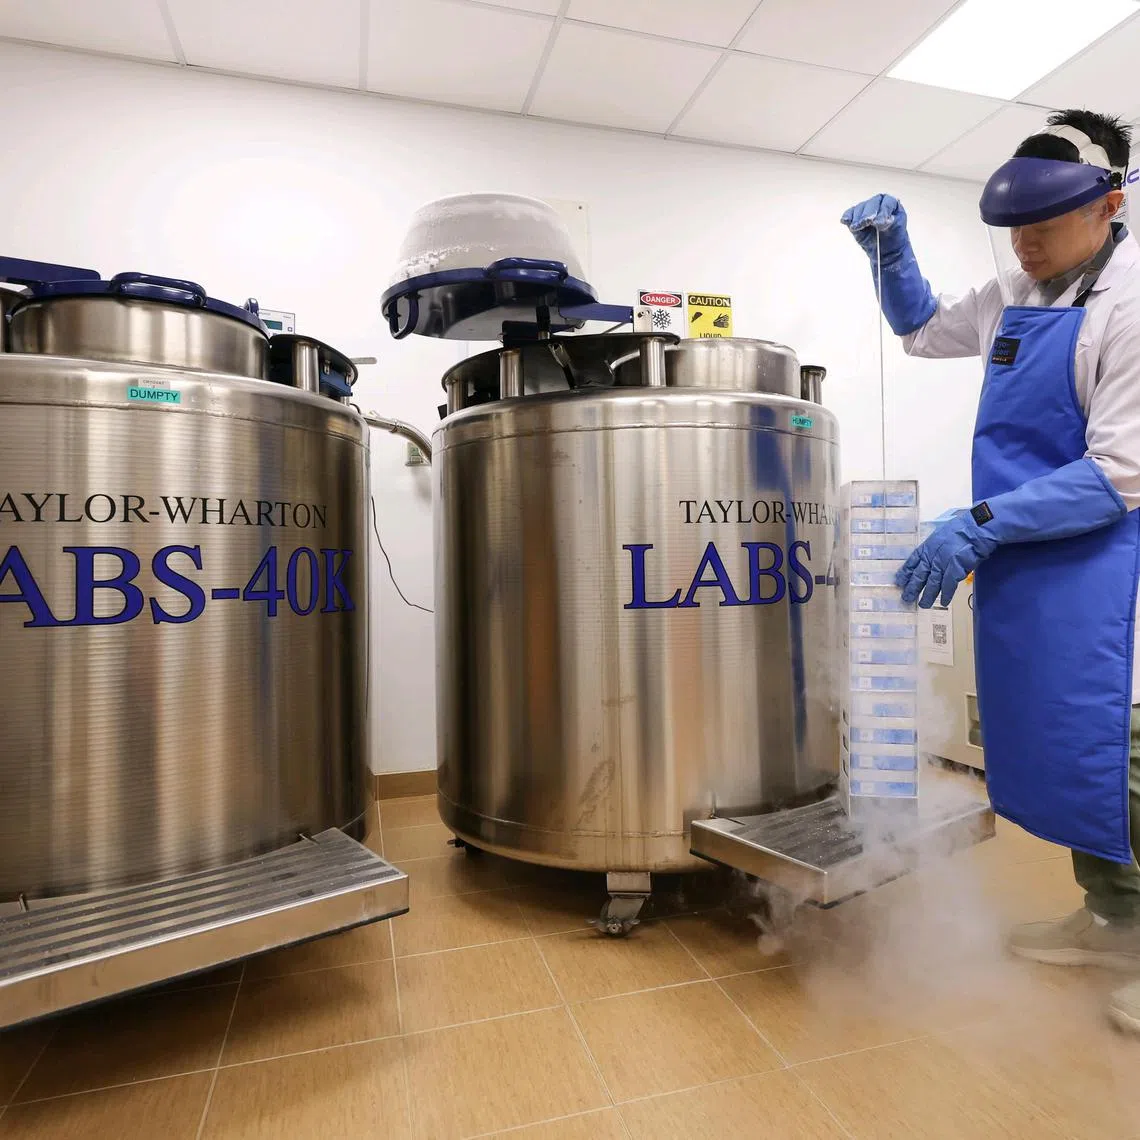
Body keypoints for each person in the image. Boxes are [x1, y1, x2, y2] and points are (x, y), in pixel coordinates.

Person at [841, 109, 1140, 1035]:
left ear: (1110, 205)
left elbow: (1122, 471)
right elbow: (926, 329)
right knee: (1067, 744)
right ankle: (1114, 921)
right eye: (1015, 231)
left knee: (1122, 749)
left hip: (1115, 557)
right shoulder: (1023, 283)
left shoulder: (1130, 303)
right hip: (1040, 555)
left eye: (1043, 229)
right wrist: (890, 258)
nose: (1026, 247)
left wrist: (978, 523)